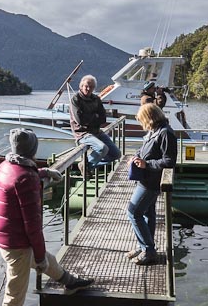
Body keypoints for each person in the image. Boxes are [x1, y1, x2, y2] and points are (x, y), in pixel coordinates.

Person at [0, 128, 94, 306]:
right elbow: (33, 227)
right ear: (32, 150)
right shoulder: (26, 178)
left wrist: (43, 172)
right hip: (17, 242)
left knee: (44, 258)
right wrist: (39, 257)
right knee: (14, 296)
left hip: (2, 235)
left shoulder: (5, 165)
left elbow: (21, 175)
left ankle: (69, 280)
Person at [125, 103, 177, 266]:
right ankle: (144, 247)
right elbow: (144, 150)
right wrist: (135, 158)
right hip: (146, 178)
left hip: (151, 182)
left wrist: (146, 164)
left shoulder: (166, 133)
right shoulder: (154, 131)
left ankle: (149, 250)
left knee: (133, 211)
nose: (142, 124)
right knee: (148, 213)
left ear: (149, 118)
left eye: (142, 120)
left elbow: (169, 161)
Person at [70, 74, 121, 173]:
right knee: (102, 148)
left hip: (97, 131)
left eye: (92, 87)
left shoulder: (96, 99)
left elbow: (103, 118)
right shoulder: (75, 100)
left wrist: (89, 117)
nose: (89, 89)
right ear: (81, 86)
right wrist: (95, 116)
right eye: (86, 86)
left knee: (116, 154)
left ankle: (87, 165)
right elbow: (80, 121)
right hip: (82, 134)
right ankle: (87, 165)